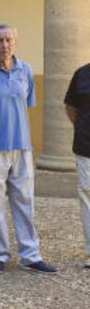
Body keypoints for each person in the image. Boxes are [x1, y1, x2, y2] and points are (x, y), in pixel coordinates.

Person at [0, 24, 56, 275]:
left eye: (9, 40)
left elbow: (25, 106)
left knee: (25, 202)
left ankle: (30, 255)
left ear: (15, 43)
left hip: (21, 146)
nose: (5, 45)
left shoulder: (25, 70)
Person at [65, 60, 90, 269]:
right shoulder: (81, 73)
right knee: (88, 198)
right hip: (86, 147)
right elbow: (70, 107)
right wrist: (82, 128)